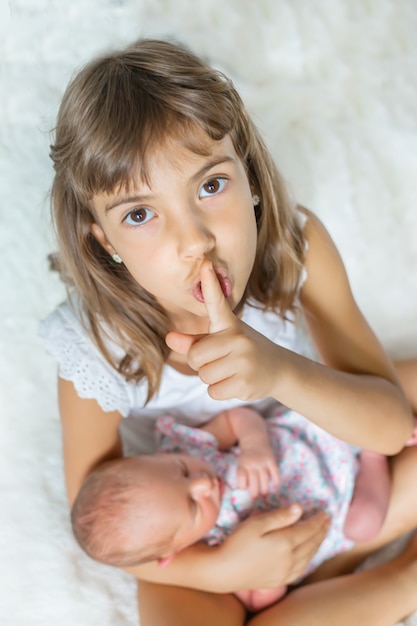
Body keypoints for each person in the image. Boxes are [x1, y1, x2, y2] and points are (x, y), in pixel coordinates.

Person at [39, 36, 417, 625]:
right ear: (104, 241)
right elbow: (102, 531)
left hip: (315, 443)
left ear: (249, 172)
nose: (194, 241)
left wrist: (279, 370)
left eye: (211, 186)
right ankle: (366, 574)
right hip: (198, 521)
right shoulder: (95, 343)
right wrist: (223, 570)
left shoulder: (296, 248)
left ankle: (365, 567)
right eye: (140, 215)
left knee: (403, 387)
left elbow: (389, 426)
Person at [71, 405, 394, 612]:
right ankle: (373, 457)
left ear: (157, 456)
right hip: (336, 513)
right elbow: (260, 597)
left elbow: (237, 418)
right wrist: (266, 579)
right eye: (192, 506)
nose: (202, 483)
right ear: (175, 550)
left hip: (312, 443)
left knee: (340, 413)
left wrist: (255, 445)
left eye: (181, 469)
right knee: (365, 525)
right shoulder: (217, 550)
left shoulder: (188, 445)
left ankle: (370, 442)